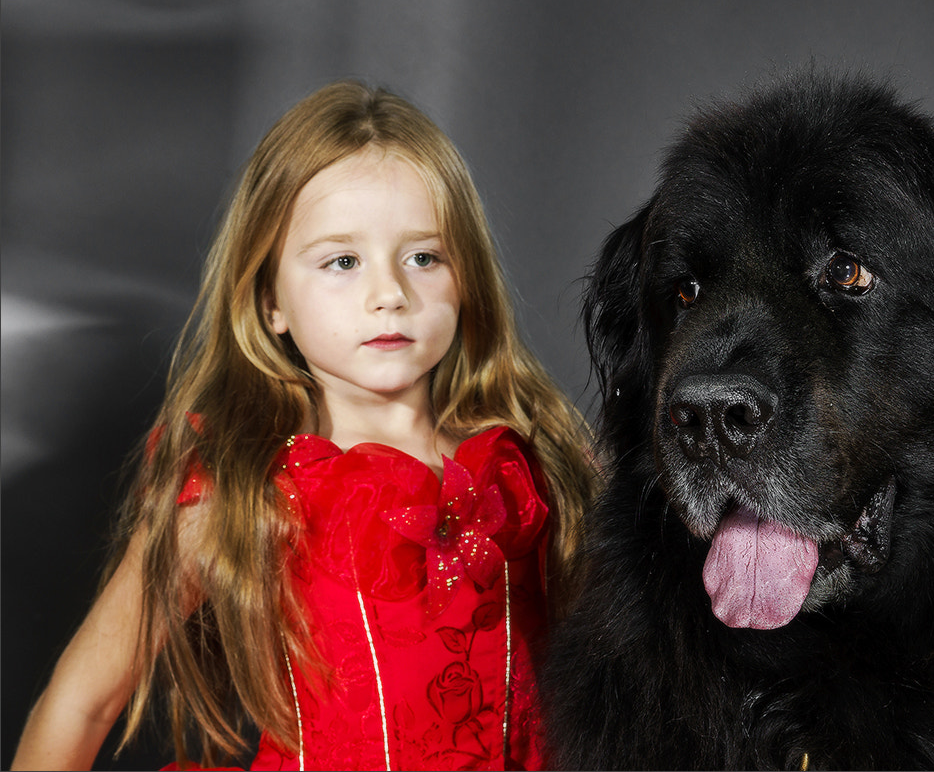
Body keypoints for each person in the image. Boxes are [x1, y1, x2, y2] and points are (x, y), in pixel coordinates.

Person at [11, 81, 597, 771]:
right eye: (342, 262)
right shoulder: (242, 486)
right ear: (270, 303)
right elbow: (82, 704)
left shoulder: (534, 461)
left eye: (423, 257)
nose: (390, 295)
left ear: (465, 277)